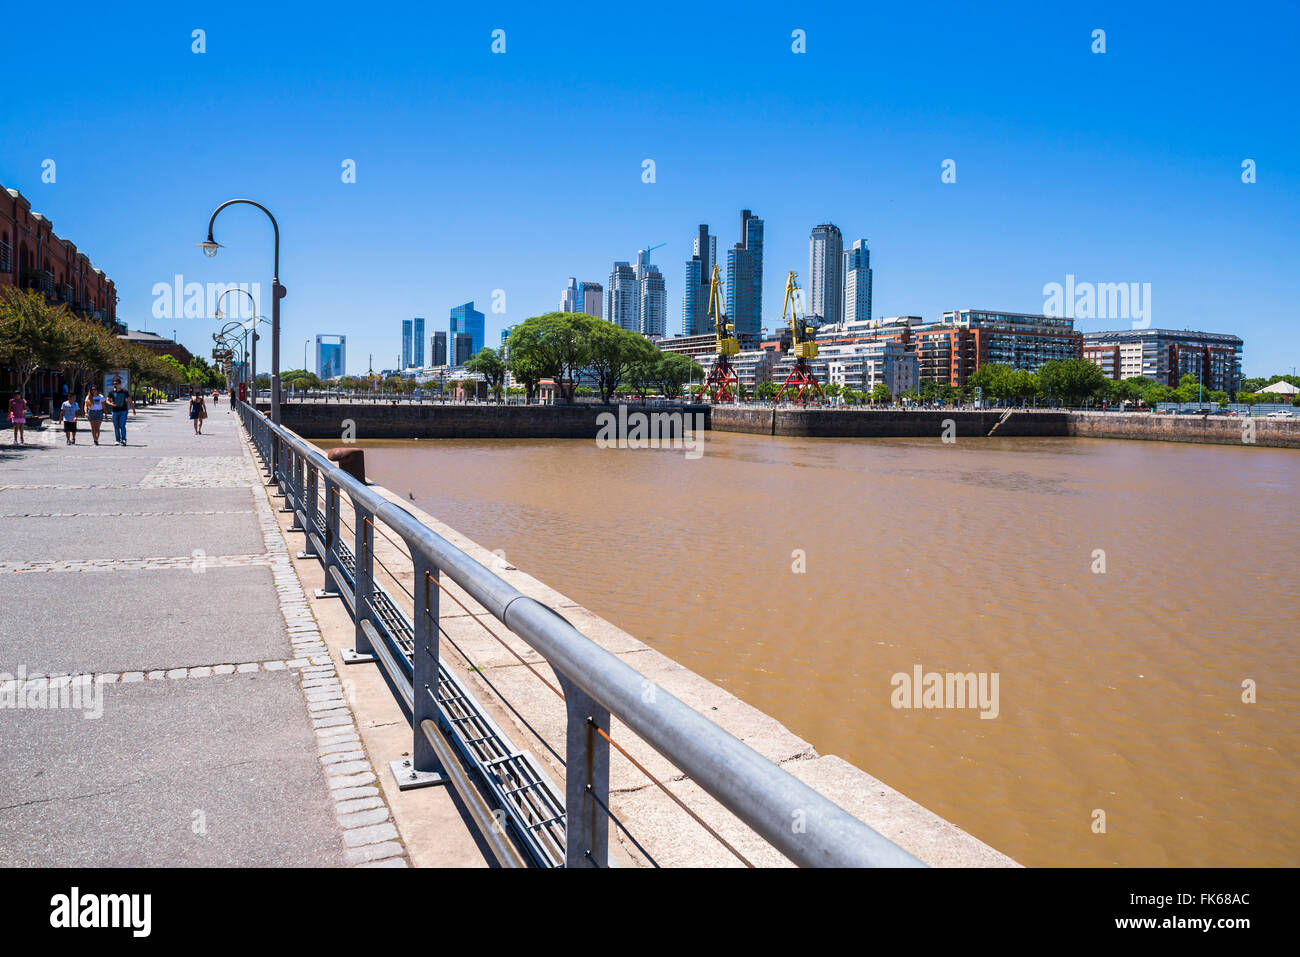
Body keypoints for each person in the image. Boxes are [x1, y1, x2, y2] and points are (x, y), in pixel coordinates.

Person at [104, 376, 133, 445]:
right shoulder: (111, 392)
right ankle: (117, 440)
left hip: (123, 410)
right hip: (115, 411)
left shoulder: (125, 392)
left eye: (116, 383)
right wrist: (110, 404)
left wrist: (133, 409)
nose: (115, 385)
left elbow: (129, 400)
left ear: (120, 384)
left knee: (122, 425)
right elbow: (107, 400)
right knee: (116, 426)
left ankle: (123, 439)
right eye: (114, 384)